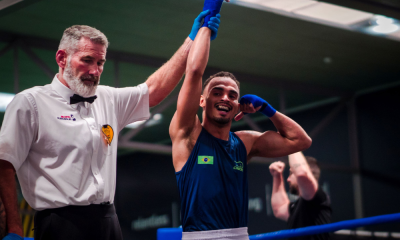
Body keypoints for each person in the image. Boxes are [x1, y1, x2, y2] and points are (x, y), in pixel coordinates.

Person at [0, 11, 222, 240]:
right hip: (59, 224)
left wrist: (193, 38)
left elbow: (154, 90)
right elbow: (4, 163)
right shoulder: (30, 103)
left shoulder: (107, 98)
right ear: (61, 58)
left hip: (108, 220)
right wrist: (14, 227)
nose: (95, 71)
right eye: (87, 60)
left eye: (100, 62)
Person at [169, 3, 312, 239]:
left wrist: (268, 110)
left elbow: (300, 141)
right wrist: (210, 15)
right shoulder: (188, 134)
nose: (225, 97)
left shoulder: (244, 143)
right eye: (217, 92)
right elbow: (194, 72)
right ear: (202, 101)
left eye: (232, 95)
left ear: (238, 106)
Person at [269, 152, 332, 240]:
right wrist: (277, 176)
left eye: (291, 173)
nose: (288, 179)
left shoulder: (317, 198)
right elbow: (279, 209)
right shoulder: (299, 205)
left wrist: (292, 145)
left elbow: (301, 173)